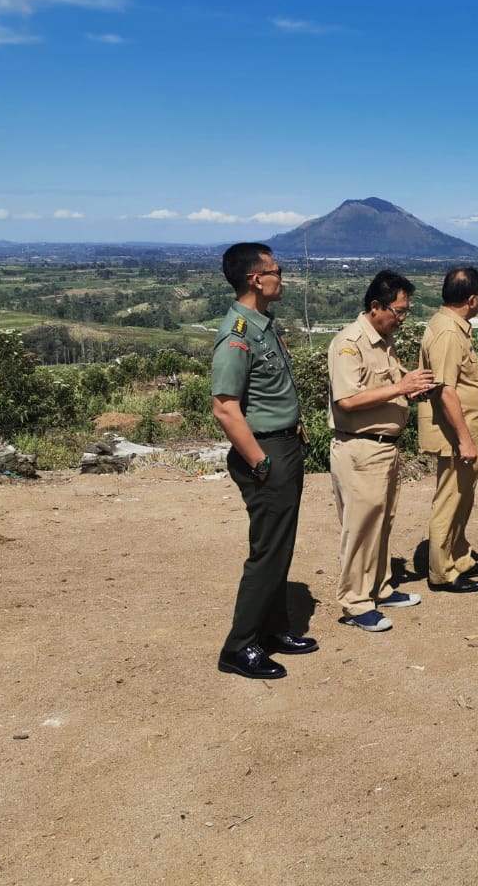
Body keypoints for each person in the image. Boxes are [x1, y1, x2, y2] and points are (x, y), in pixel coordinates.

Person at [210, 242, 314, 679]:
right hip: (266, 452)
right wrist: (260, 462)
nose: (281, 276)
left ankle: (273, 630)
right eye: (276, 270)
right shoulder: (237, 334)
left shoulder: (263, 325)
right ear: (257, 278)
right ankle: (239, 647)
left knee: (280, 546)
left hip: (283, 446)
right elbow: (225, 407)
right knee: (267, 551)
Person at [328, 271, 436, 632]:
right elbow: (347, 400)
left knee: (382, 523)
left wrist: (411, 390)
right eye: (398, 311)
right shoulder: (349, 342)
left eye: (406, 311)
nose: (402, 318)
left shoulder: (384, 340)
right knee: (360, 528)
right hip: (360, 449)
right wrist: (401, 387)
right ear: (375, 306)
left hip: (385, 449)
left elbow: (387, 387)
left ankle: (379, 587)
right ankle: (356, 603)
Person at [416, 267, 478, 593]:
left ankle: (461, 556)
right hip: (457, 434)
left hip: (467, 429)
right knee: (450, 500)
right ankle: (442, 572)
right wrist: (465, 440)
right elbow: (445, 390)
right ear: (472, 299)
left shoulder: (452, 326)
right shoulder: (449, 334)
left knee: (462, 497)